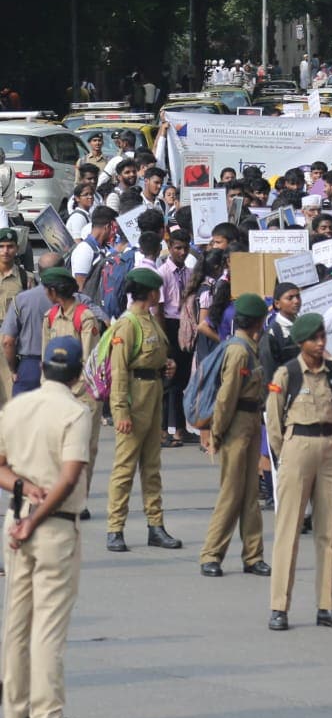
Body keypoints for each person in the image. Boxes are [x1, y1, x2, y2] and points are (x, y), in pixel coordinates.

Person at [0, 336, 100, 718]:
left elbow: (2, 467)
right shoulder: (75, 413)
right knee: (49, 624)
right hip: (53, 525)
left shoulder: (16, 407)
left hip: (19, 518)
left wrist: (23, 490)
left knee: (18, 619)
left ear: (42, 369)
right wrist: (36, 517)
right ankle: (48, 715)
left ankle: (16, 708)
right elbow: (70, 475)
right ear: (77, 376)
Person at [265, 312, 332, 632]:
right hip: (297, 446)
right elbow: (273, 422)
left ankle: (327, 606)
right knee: (288, 532)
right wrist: (284, 452)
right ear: (301, 343)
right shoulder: (287, 374)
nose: (320, 343)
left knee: (328, 532)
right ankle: (279, 607)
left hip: (327, 447)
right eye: (313, 339)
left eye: (322, 337)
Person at [105, 269, 181, 553]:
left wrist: (166, 365)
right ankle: (115, 528)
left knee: (152, 467)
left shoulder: (149, 319)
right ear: (150, 293)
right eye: (157, 291)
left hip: (152, 393)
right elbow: (119, 371)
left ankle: (155, 525)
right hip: (134, 398)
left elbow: (153, 355)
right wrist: (120, 412)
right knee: (124, 468)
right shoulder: (128, 324)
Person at [198, 294, 272, 579]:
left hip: (251, 421)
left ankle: (253, 555)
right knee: (231, 493)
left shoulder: (249, 348)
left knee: (250, 493)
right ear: (258, 322)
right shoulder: (240, 351)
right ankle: (211, 554)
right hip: (236, 424)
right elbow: (227, 397)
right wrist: (216, 432)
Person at [40, 266, 104, 518]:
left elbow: (90, 361)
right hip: (56, 394)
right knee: (55, 448)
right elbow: (46, 358)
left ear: (54, 291)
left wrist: (72, 392)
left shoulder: (85, 317)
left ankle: (80, 501)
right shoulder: (50, 316)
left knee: (85, 448)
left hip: (83, 394)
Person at [159, 229, 194, 447]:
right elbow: (160, 308)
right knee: (168, 379)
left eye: (185, 248)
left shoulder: (189, 272)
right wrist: (163, 337)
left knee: (182, 379)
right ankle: (163, 429)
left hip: (185, 326)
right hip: (169, 324)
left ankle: (180, 428)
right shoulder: (163, 273)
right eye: (177, 248)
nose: (181, 252)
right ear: (170, 248)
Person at [0, 228, 30, 400]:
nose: (5, 251)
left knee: (10, 395)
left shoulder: (26, 278)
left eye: (10, 246)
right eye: (1, 246)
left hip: (12, 341)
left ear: (17, 248)